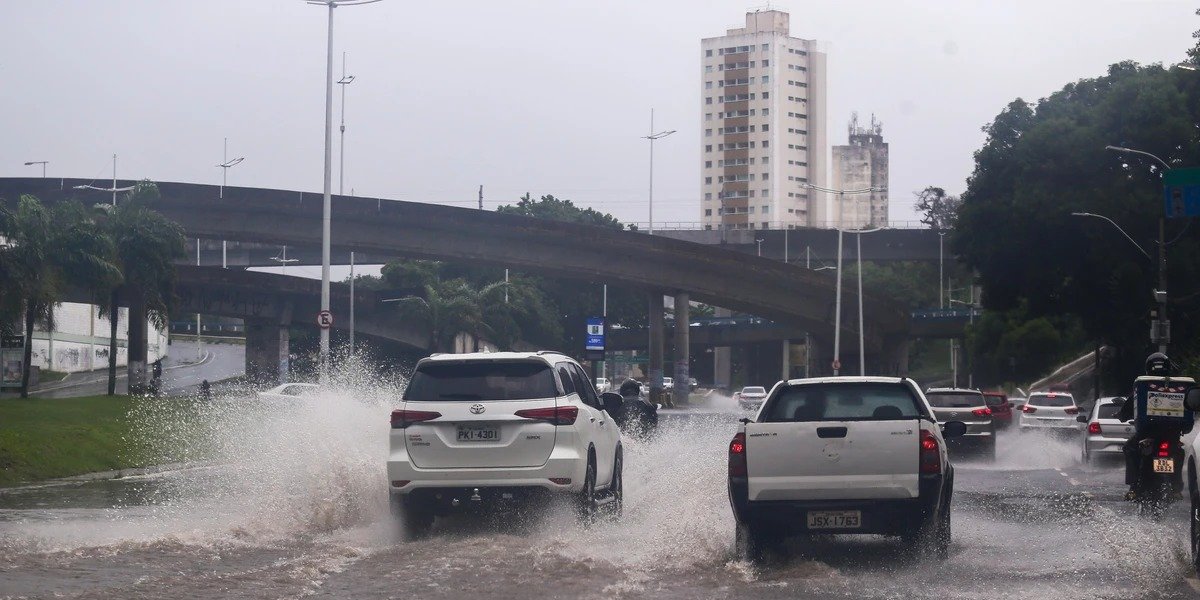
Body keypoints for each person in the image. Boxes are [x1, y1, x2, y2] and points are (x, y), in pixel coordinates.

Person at [1118, 352, 1190, 499]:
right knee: (1178, 451)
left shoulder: (1144, 386)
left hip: (1147, 433)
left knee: (1129, 448)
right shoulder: (1179, 387)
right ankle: (1176, 489)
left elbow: (1126, 410)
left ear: (1148, 368)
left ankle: (1133, 488)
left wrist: (1121, 415)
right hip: (1172, 435)